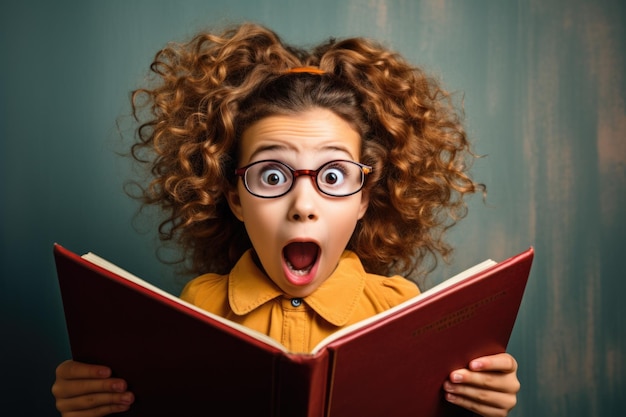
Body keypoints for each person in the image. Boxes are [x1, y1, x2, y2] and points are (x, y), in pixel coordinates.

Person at [52, 22, 520, 417]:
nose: (303, 203)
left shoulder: (403, 310)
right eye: (272, 175)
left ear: (364, 198)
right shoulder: (197, 308)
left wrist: (474, 402)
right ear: (235, 198)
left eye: (333, 175)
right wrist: (96, 402)